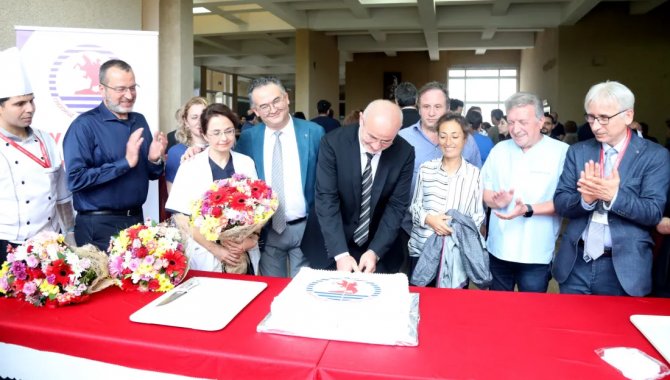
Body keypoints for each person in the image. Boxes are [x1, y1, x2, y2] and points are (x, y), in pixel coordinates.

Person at [553, 81, 670, 296]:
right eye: (590, 117)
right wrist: (585, 201)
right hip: (576, 262)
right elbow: (560, 201)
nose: (595, 126)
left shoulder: (654, 156)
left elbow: (653, 212)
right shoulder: (578, 152)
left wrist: (614, 197)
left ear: (628, 115)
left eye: (604, 118)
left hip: (624, 267)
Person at [63, 59, 166, 251]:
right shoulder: (83, 126)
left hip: (136, 221)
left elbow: (151, 174)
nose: (129, 95)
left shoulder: (139, 120)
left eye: (133, 87)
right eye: (121, 89)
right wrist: (124, 163)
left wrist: (154, 159)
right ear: (102, 89)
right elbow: (76, 180)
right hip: (98, 226)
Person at [235, 77, 324, 277]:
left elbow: (326, 181)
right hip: (267, 231)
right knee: (270, 289)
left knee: (303, 290)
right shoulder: (249, 139)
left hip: (305, 228)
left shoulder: (314, 132)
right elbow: (235, 173)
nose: (272, 109)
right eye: (264, 106)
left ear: (286, 99)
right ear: (255, 111)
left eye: (276, 101)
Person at [481, 92, 568, 292]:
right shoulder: (500, 151)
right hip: (499, 249)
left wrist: (529, 209)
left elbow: (566, 201)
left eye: (522, 122)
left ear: (540, 121)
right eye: (510, 122)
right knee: (498, 309)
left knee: (532, 312)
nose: (515, 129)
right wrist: (496, 201)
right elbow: (485, 193)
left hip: (536, 252)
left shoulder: (561, 152)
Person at [315, 99, 414, 273]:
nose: (376, 147)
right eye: (372, 137)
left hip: (378, 240)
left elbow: (396, 207)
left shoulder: (404, 152)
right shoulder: (333, 143)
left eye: (386, 141)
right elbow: (326, 199)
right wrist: (340, 253)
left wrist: (375, 251)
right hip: (332, 239)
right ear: (361, 120)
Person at [0, 47, 75, 261]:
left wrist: (70, 235)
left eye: (31, 100)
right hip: (6, 245)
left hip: (49, 244)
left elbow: (62, 197)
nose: (30, 108)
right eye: (19, 103)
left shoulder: (46, 140)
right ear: (0, 108)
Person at [166, 104, 260, 273]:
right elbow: (181, 217)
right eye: (216, 133)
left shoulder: (246, 163)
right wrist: (216, 250)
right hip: (206, 253)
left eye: (229, 131)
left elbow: (260, 206)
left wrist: (251, 239)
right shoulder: (190, 165)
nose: (223, 138)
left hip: (241, 252)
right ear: (204, 134)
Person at [408, 114, 484, 283]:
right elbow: (415, 206)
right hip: (422, 251)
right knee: (420, 304)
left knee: (452, 308)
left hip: (457, 255)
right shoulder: (426, 169)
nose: (448, 141)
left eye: (455, 136)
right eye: (443, 136)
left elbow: (477, 216)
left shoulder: (474, 174)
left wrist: (453, 229)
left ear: (465, 139)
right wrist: (429, 219)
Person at [165, 97, 208, 193]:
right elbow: (172, 195)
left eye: (203, 116)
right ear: (186, 122)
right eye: (194, 117)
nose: (200, 121)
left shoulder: (219, 149)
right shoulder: (175, 152)